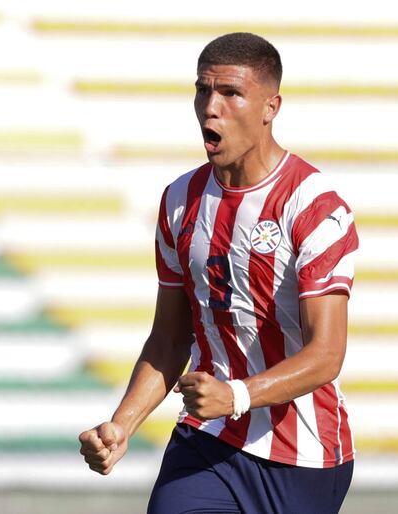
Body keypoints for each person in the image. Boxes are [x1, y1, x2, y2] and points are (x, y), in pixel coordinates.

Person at [79, 32, 359, 514]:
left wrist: (235, 395)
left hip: (302, 455)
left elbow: (326, 354)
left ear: (271, 106)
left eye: (231, 93)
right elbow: (170, 340)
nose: (211, 107)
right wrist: (122, 425)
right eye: (202, 90)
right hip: (206, 441)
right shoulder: (179, 201)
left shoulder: (315, 208)